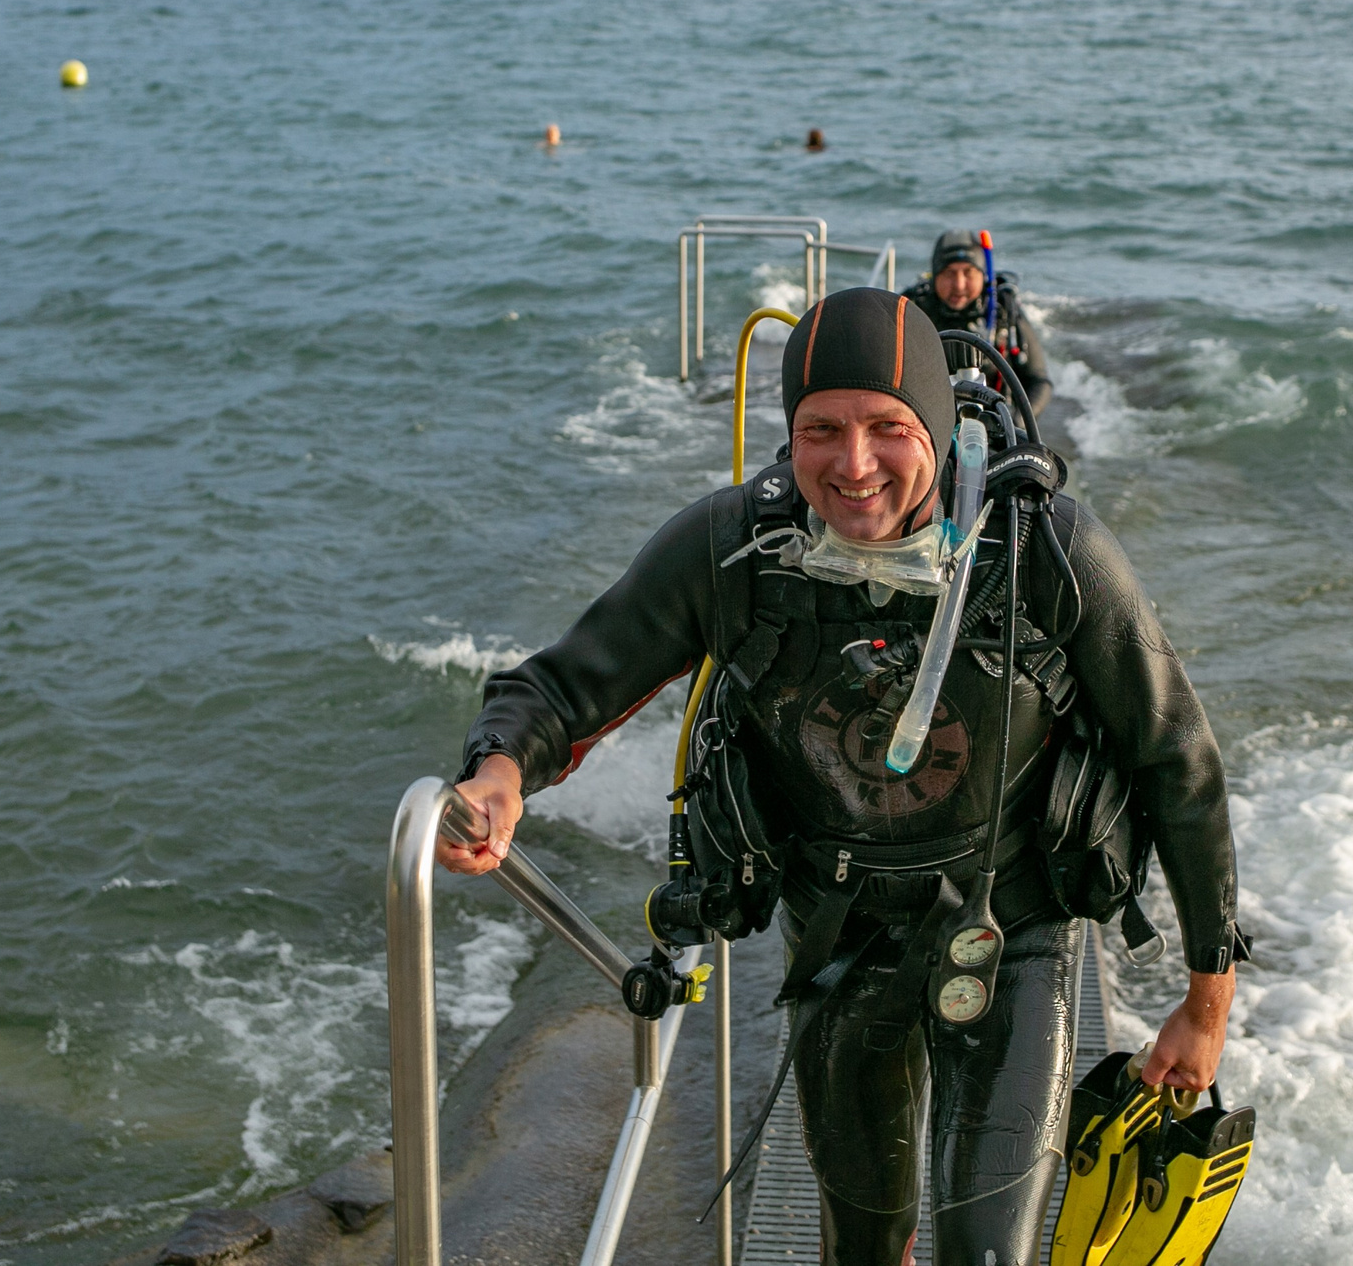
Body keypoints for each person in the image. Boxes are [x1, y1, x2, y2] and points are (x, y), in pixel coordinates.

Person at [438, 288, 1239, 1266]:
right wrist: (499, 773)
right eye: (819, 429)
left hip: (1009, 928)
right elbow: (561, 685)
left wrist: (1205, 1005)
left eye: (887, 429)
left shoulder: (1044, 551)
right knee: (861, 1238)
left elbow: (1176, 760)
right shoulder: (734, 550)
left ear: (938, 432)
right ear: (789, 434)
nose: (853, 466)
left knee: (987, 1249)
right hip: (839, 937)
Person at [903, 229, 1052, 417]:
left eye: (968, 272)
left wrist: (1017, 424)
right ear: (934, 276)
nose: (958, 284)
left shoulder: (1003, 311)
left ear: (983, 275)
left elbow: (1039, 382)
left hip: (996, 420)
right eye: (949, 273)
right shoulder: (913, 311)